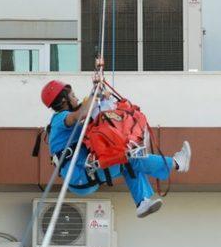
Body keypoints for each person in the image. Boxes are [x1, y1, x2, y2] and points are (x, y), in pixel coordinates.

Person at [41, 79, 191, 218]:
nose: (76, 98)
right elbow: (82, 113)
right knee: (130, 158)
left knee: (127, 162)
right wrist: (95, 95)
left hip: (82, 176)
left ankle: (143, 202)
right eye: (72, 95)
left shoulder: (66, 119)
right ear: (63, 101)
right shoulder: (60, 119)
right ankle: (176, 163)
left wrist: (101, 98)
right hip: (80, 176)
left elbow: (86, 111)